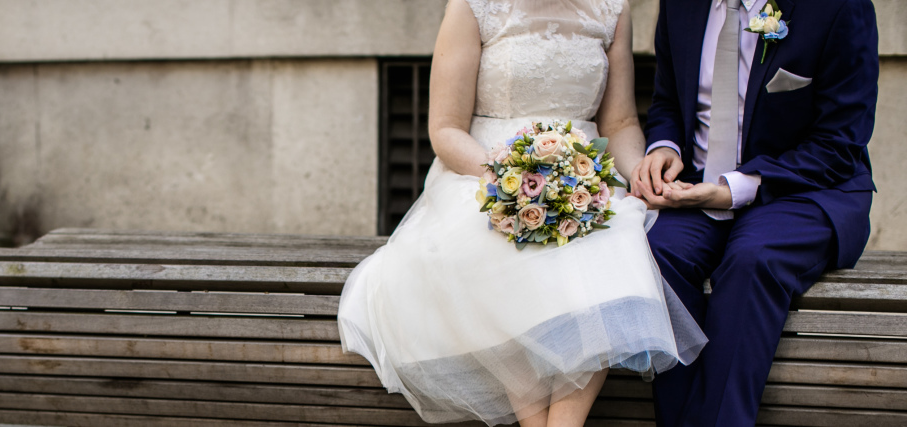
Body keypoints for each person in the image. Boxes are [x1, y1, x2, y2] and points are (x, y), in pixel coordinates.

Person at [336, 0, 706, 425]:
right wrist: (513, 179)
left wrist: (639, 174)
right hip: (485, 175)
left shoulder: (613, 8)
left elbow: (620, 122)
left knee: (612, 247)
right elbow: (445, 129)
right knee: (504, 259)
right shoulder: (474, 6)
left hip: (581, 177)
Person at [633, 0, 879, 424]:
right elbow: (668, 102)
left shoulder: (841, 7)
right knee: (654, 253)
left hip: (805, 188)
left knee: (752, 258)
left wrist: (734, 190)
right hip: (696, 184)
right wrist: (664, 148)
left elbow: (840, 144)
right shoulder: (679, 5)